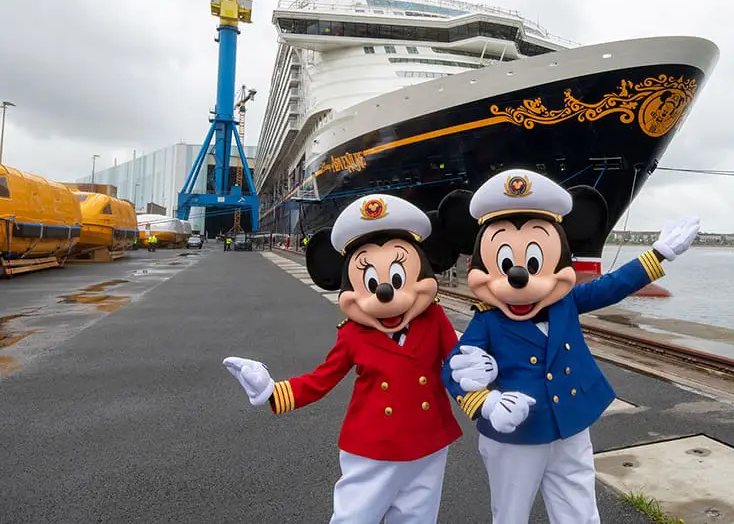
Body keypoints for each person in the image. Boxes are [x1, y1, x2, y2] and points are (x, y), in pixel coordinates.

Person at [436, 169, 700, 524]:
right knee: (511, 511)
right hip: (517, 435)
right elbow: (454, 370)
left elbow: (612, 286)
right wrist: (486, 402)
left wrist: (658, 254)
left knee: (578, 507)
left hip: (571, 426)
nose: (519, 277)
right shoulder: (486, 320)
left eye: (533, 263)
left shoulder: (566, 302)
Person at [222, 194, 466, 523]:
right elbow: (322, 379)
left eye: (397, 278)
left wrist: (485, 400)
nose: (385, 293)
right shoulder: (353, 333)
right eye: (370, 282)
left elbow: (457, 367)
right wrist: (271, 391)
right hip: (371, 448)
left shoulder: (433, 319)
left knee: (417, 518)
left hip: (429, 441)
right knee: (354, 517)